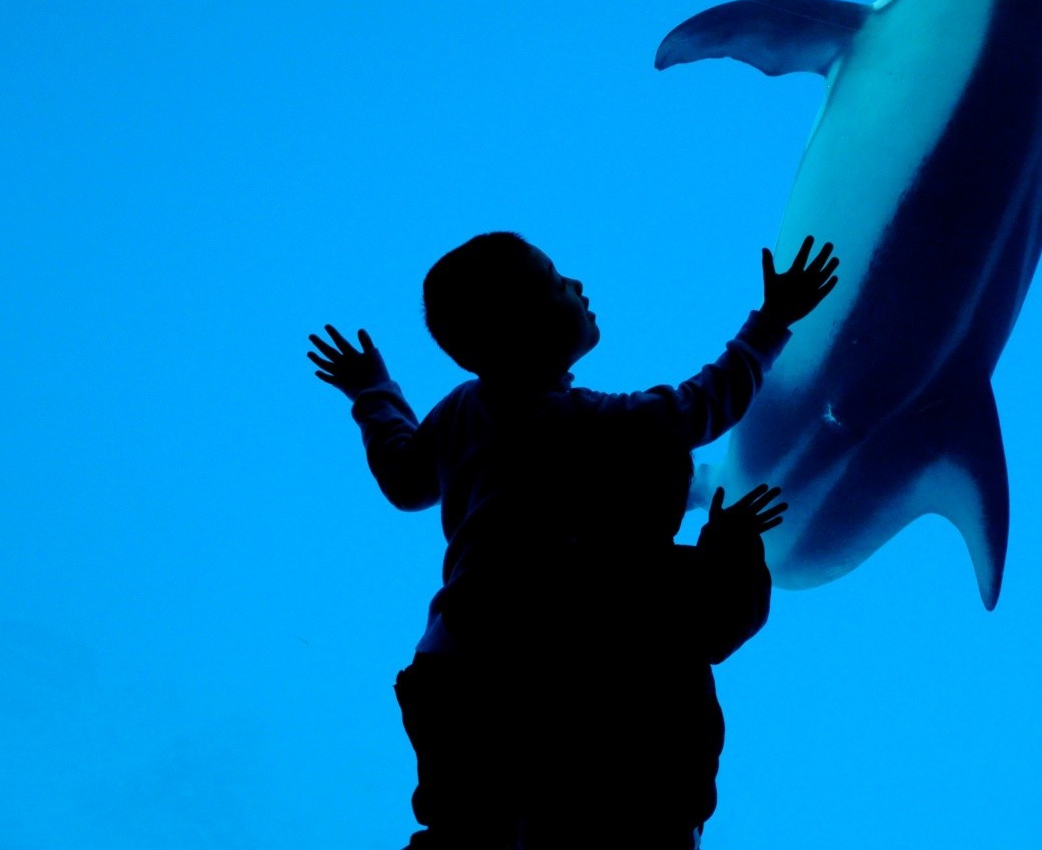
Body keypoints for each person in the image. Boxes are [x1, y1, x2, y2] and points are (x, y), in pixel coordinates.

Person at [308, 233, 837, 847]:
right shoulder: (595, 422)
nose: (578, 286)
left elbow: (404, 480)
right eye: (557, 281)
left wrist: (371, 390)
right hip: (573, 668)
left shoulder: (461, 411)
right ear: (526, 328)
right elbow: (704, 406)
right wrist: (774, 320)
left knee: (468, 826)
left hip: (456, 665)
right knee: (611, 815)